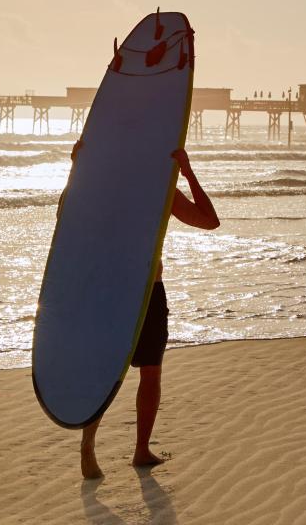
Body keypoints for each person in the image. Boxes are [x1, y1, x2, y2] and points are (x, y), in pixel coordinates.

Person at [80, 147, 219, 479]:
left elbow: (71, 220)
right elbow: (209, 220)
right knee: (149, 372)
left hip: (118, 290)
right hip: (143, 289)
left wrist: (79, 169)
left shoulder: (109, 187)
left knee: (116, 371)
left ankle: (100, 442)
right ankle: (134, 449)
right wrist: (186, 171)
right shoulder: (160, 189)